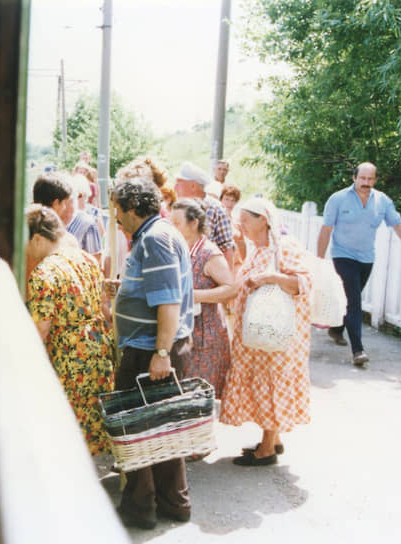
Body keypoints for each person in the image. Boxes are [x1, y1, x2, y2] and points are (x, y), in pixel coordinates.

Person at [102, 175, 195, 529]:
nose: (116, 218)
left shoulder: (154, 239)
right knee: (164, 428)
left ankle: (139, 510)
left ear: (131, 208)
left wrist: (160, 352)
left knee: (138, 431)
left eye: (118, 210)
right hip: (155, 348)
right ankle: (174, 503)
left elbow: (168, 301)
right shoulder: (159, 233)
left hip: (149, 351)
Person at [220, 197, 312, 466]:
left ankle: (267, 449)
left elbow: (303, 282)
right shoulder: (259, 249)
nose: (242, 225)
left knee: (272, 381)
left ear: (264, 219)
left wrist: (271, 279)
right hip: (259, 335)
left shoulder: (284, 247)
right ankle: (273, 439)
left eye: (246, 220)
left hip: (276, 335)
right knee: (263, 379)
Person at [25, 204, 115, 456]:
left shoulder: (43, 273)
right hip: (97, 348)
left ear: (38, 238)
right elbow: (102, 306)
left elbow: (40, 329)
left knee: (64, 424)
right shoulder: (85, 258)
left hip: (68, 354)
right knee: (90, 421)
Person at [317, 162, 401, 367]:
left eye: (370, 179)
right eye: (362, 178)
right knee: (354, 300)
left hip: (366, 258)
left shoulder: (382, 201)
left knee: (348, 299)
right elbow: (326, 229)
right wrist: (319, 260)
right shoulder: (337, 199)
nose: (366, 182)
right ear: (354, 178)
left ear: (375, 180)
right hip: (342, 255)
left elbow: (397, 223)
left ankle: (336, 329)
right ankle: (358, 350)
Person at [169, 198, 237, 400]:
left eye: (177, 223)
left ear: (194, 223)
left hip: (206, 336)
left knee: (199, 397)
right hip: (186, 332)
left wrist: (196, 295)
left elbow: (231, 288)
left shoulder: (208, 253)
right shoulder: (178, 249)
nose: (173, 228)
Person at [174, 161, 236, 269]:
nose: (175, 188)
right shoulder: (178, 208)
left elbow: (227, 249)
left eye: (179, 183)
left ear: (193, 185)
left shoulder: (215, 209)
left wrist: (227, 282)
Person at [220, 184, 246, 267]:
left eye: (233, 200)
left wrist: (244, 263)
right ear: (221, 200)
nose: (229, 203)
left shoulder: (237, 221)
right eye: (226, 199)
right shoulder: (217, 219)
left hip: (236, 263)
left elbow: (242, 244)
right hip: (221, 263)